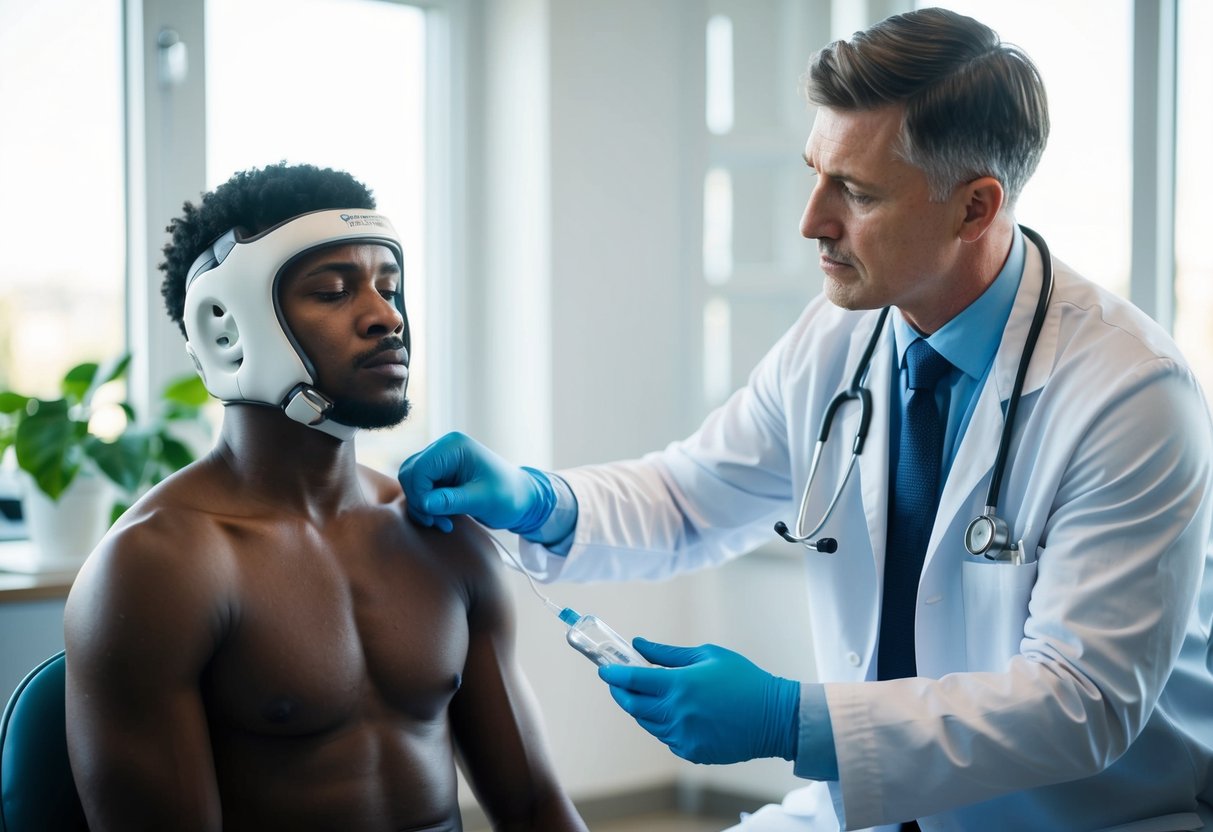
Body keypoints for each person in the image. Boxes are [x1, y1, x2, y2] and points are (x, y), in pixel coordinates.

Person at [397, 8, 1213, 832]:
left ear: (974, 207)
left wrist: (790, 721)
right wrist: (540, 501)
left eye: (855, 193)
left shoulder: (1128, 393)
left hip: (1080, 820)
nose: (810, 220)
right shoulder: (839, 337)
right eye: (815, 173)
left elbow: (1081, 704)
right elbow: (691, 495)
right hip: (865, 812)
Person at [63, 162, 587, 832]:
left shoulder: (439, 533)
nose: (384, 317)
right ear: (227, 329)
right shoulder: (158, 568)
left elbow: (536, 808)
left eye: (388, 287)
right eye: (334, 292)